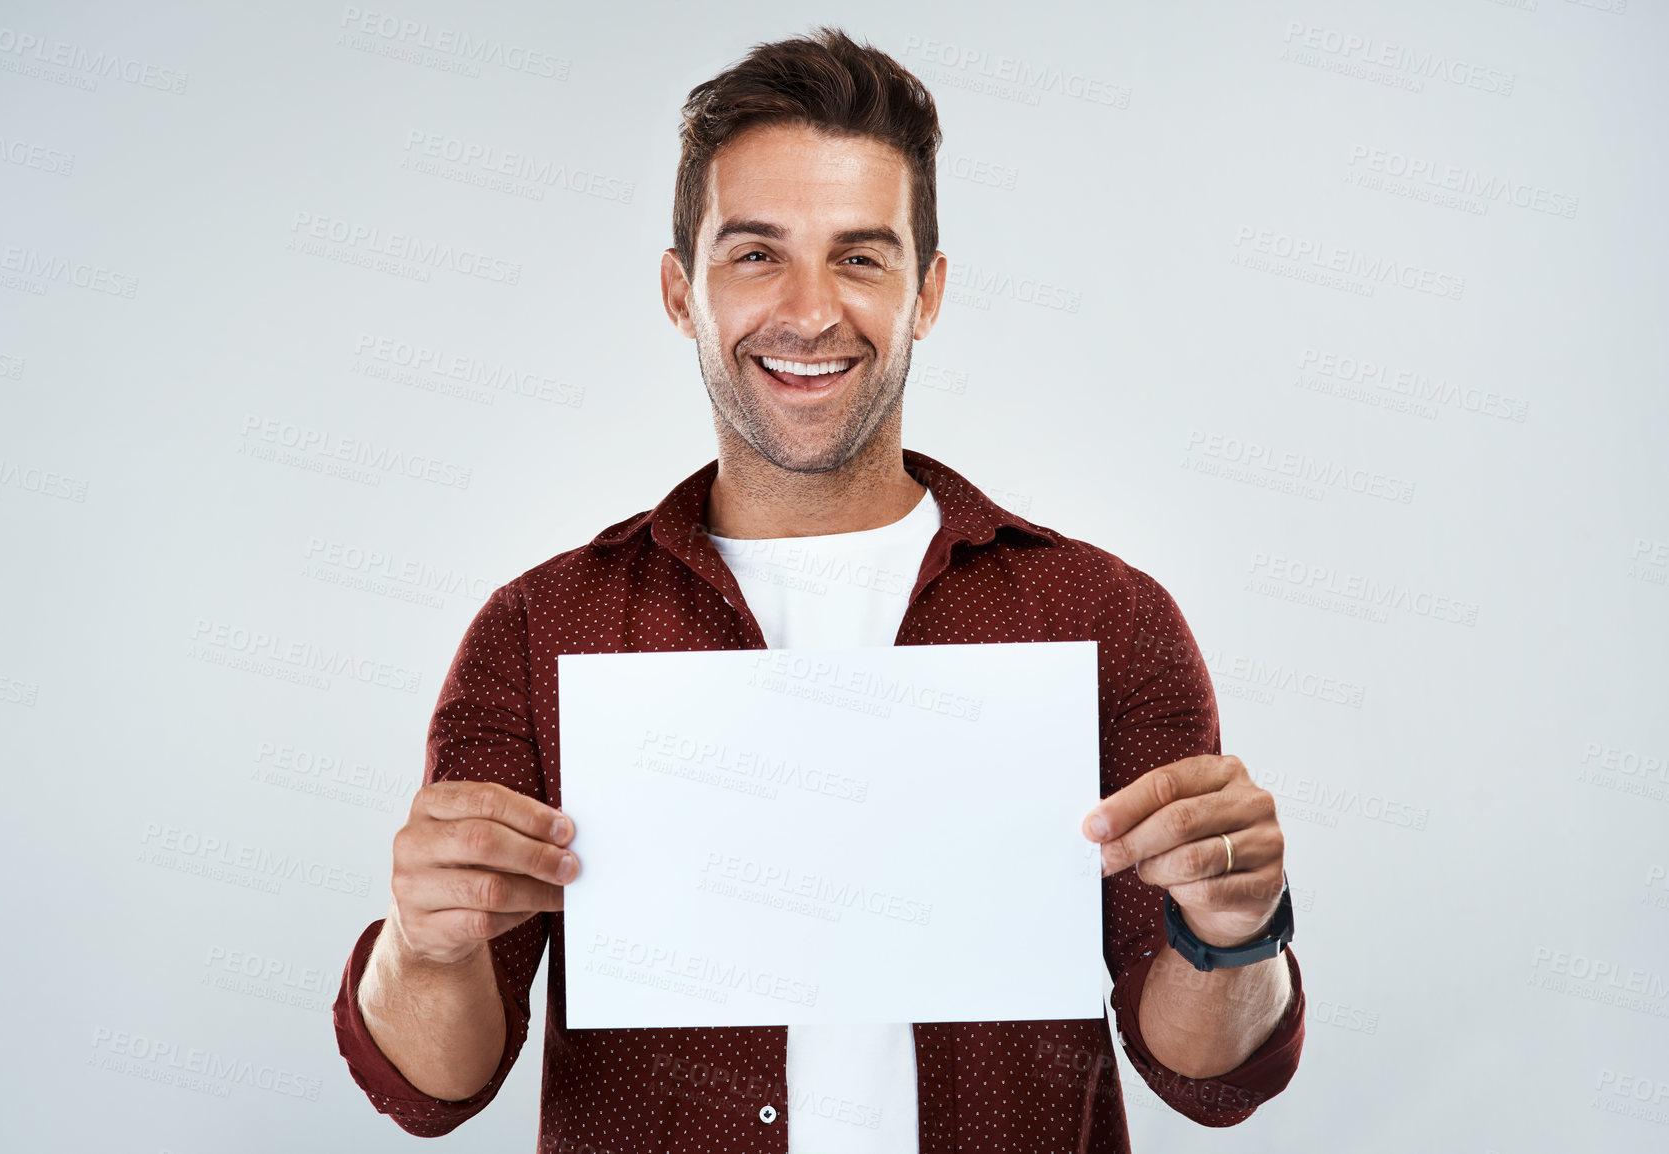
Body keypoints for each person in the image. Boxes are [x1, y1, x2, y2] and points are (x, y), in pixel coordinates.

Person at [333, 26, 1305, 1154]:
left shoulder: (1101, 619)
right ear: (679, 292)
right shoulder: (540, 629)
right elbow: (430, 1088)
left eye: (859, 255)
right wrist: (424, 939)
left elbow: (1206, 1075)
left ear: (926, 292)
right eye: (754, 255)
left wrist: (1231, 930)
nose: (808, 311)